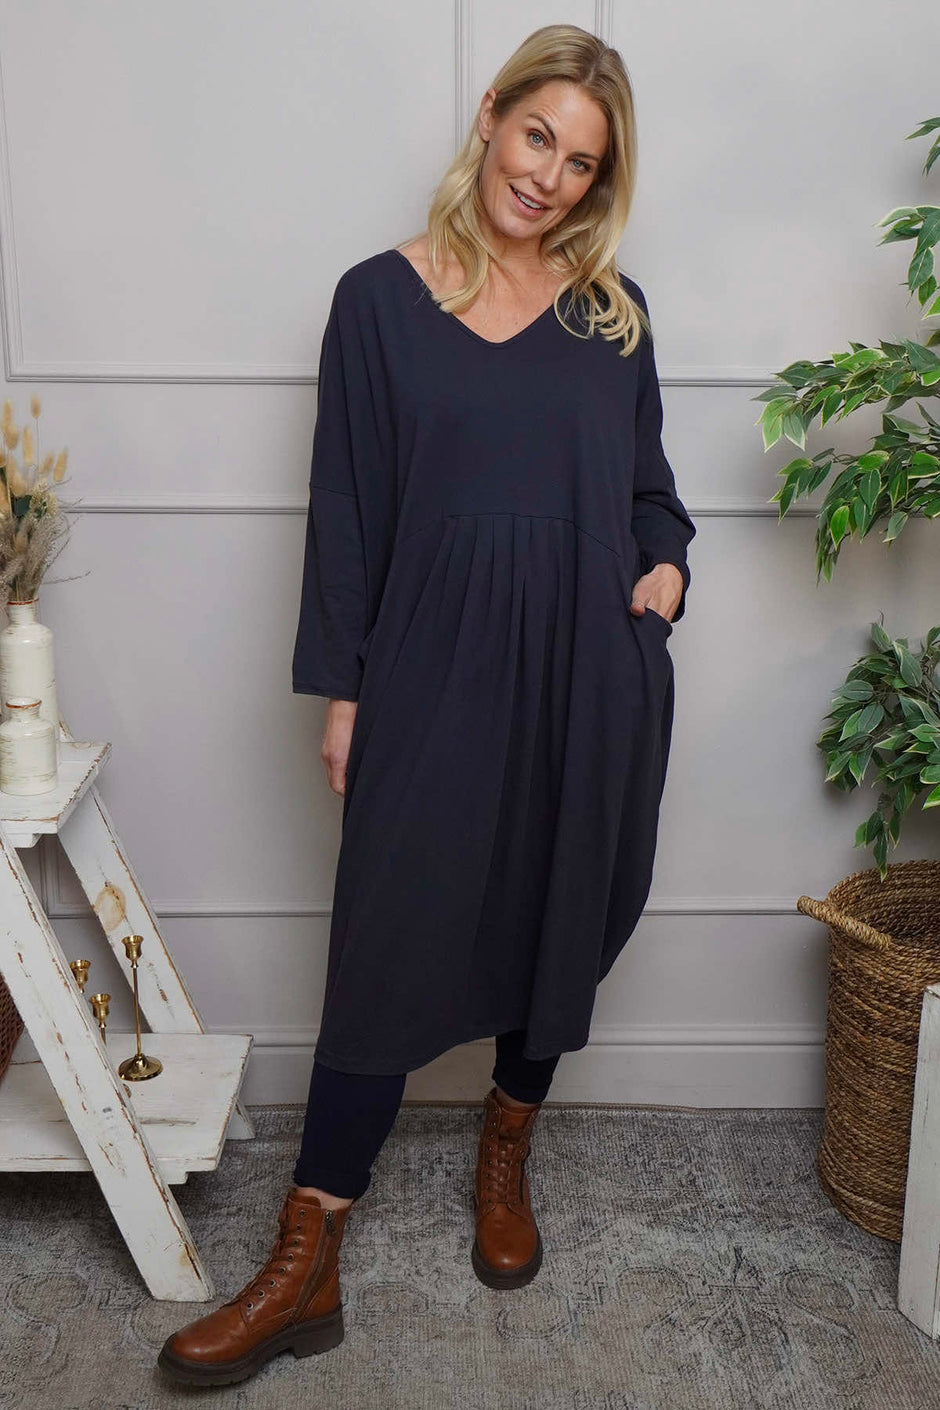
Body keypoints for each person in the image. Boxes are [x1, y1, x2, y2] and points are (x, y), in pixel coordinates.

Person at [158, 21, 695, 1388]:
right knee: (390, 940)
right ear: (492, 116)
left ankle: (506, 1145)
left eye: (581, 163)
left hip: (588, 668)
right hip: (434, 667)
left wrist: (667, 573)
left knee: (560, 903)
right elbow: (345, 514)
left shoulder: (612, 316)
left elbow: (651, 493)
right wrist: (346, 690)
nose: (548, 177)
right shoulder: (377, 301)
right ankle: (307, 1253)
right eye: (538, 136)